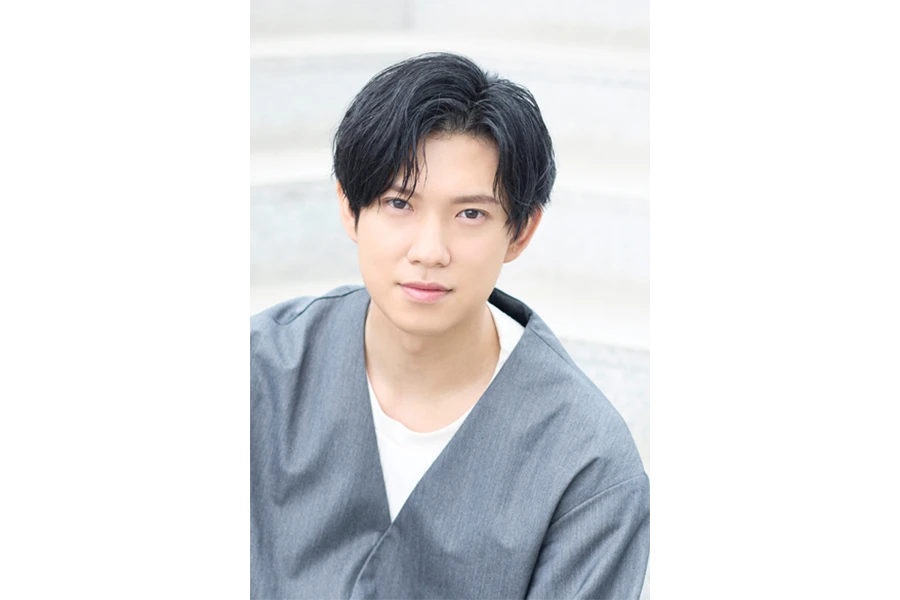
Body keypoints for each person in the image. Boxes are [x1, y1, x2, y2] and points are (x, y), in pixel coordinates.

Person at [249, 52, 650, 599]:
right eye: (399, 203)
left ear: (521, 232)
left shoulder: (586, 462)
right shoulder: (264, 373)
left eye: (470, 214)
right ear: (348, 207)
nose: (429, 251)